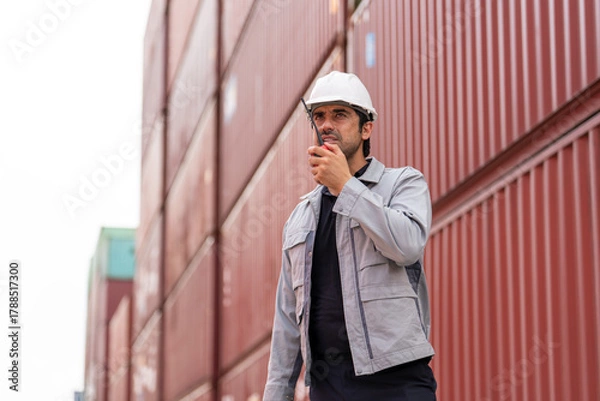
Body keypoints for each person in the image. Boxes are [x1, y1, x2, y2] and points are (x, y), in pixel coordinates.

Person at [263, 71, 437, 401]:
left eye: (339, 114)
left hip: (397, 381)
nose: (326, 124)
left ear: (366, 127)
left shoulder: (403, 184)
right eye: (319, 116)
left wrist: (346, 186)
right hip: (328, 387)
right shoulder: (300, 219)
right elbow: (287, 321)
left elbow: (407, 246)